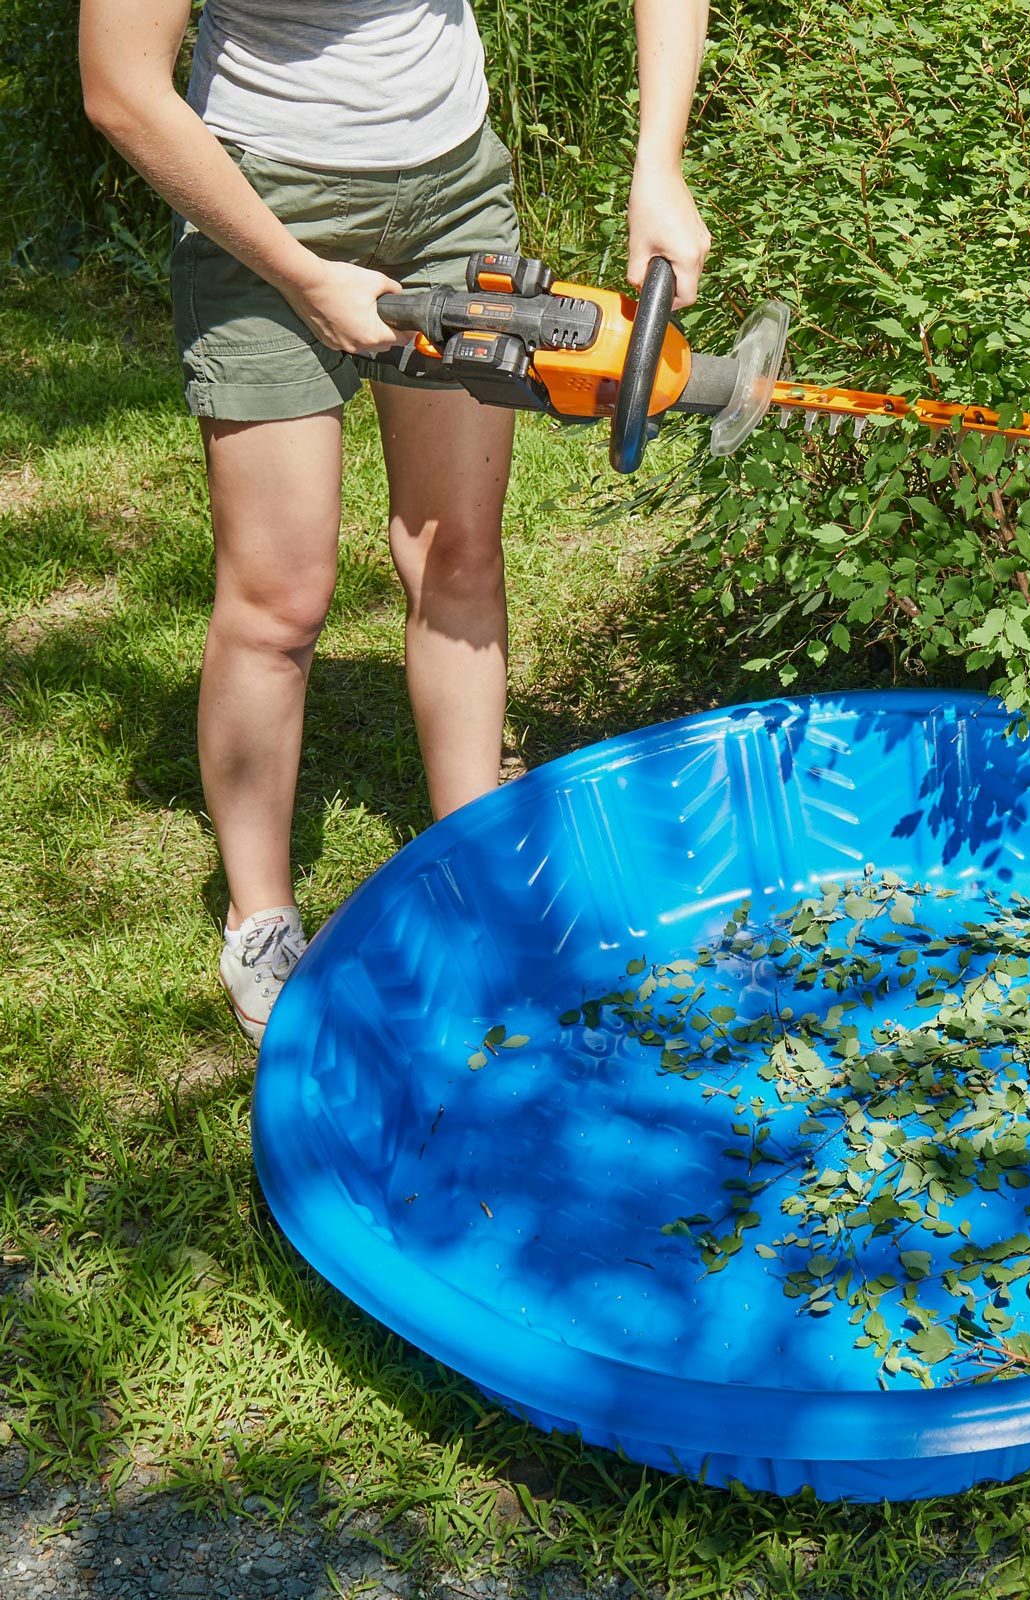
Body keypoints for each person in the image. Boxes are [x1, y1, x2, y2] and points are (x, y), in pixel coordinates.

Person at [79, 0, 712, 1043]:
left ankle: (477, 862)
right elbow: (120, 87)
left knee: (456, 548)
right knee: (279, 594)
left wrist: (659, 159)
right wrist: (303, 276)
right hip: (258, 198)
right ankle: (261, 917)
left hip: (452, 189)